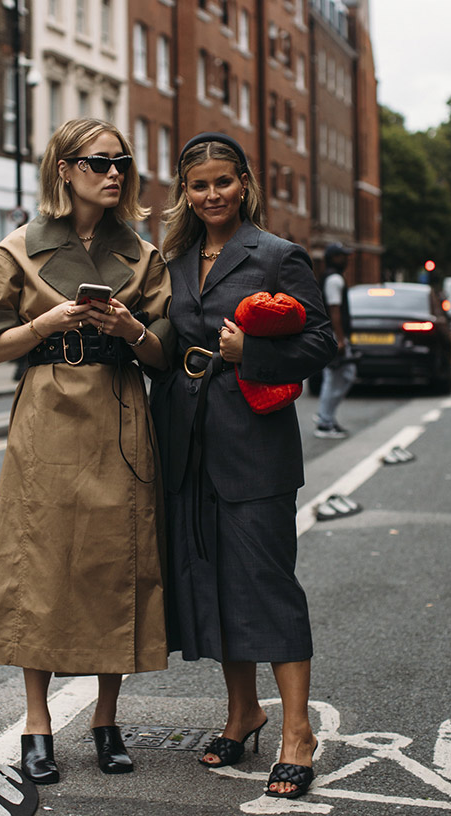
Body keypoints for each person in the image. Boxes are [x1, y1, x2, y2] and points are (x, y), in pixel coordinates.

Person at [0, 118, 174, 785]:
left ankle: (106, 720)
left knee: (113, 562)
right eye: (98, 161)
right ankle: (36, 724)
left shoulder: (142, 255)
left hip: (119, 411)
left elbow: (164, 353)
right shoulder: (16, 251)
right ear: (64, 169)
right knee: (41, 565)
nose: (113, 172)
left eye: (121, 160)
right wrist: (49, 321)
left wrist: (131, 325)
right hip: (47, 415)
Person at [150, 133, 337, 799]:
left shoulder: (276, 255)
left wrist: (246, 355)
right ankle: (242, 712)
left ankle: (296, 733)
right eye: (198, 185)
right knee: (212, 581)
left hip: (253, 441)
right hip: (185, 438)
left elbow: (321, 341)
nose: (210, 196)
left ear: (243, 183)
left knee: (265, 581)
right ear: (184, 191)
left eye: (221, 182)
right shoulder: (171, 260)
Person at [314, 242, 356, 439]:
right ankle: (324, 422)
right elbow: (335, 311)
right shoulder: (334, 280)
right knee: (336, 377)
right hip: (333, 335)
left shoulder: (330, 277)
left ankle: (327, 417)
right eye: (343, 256)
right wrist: (340, 339)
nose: (346, 259)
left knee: (342, 375)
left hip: (331, 334)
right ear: (334, 258)